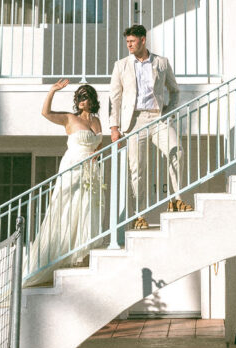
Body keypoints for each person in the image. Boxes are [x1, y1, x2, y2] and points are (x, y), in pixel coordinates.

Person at [109, 24, 191, 228]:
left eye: (132, 41)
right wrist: (114, 127)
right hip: (134, 121)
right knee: (138, 169)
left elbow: (175, 90)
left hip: (158, 118)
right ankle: (139, 215)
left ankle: (176, 199)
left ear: (143, 40)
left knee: (176, 151)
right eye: (127, 42)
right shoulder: (121, 65)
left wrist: (168, 112)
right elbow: (115, 99)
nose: (128, 45)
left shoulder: (161, 63)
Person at [24, 80, 103, 285]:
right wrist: (52, 91)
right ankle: (61, 257)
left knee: (87, 209)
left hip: (91, 170)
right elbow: (46, 113)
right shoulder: (69, 118)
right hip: (73, 167)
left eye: (84, 96)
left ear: (92, 99)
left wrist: (95, 156)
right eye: (78, 97)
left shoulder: (96, 121)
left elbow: (99, 144)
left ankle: (83, 255)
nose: (81, 100)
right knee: (68, 207)